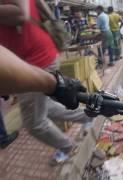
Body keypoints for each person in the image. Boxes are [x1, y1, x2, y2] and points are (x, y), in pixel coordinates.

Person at [0, 0, 92, 165]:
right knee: (44, 107)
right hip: (36, 56)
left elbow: (22, 14)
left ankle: (67, 147)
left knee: (34, 122)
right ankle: (86, 117)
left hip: (37, 59)